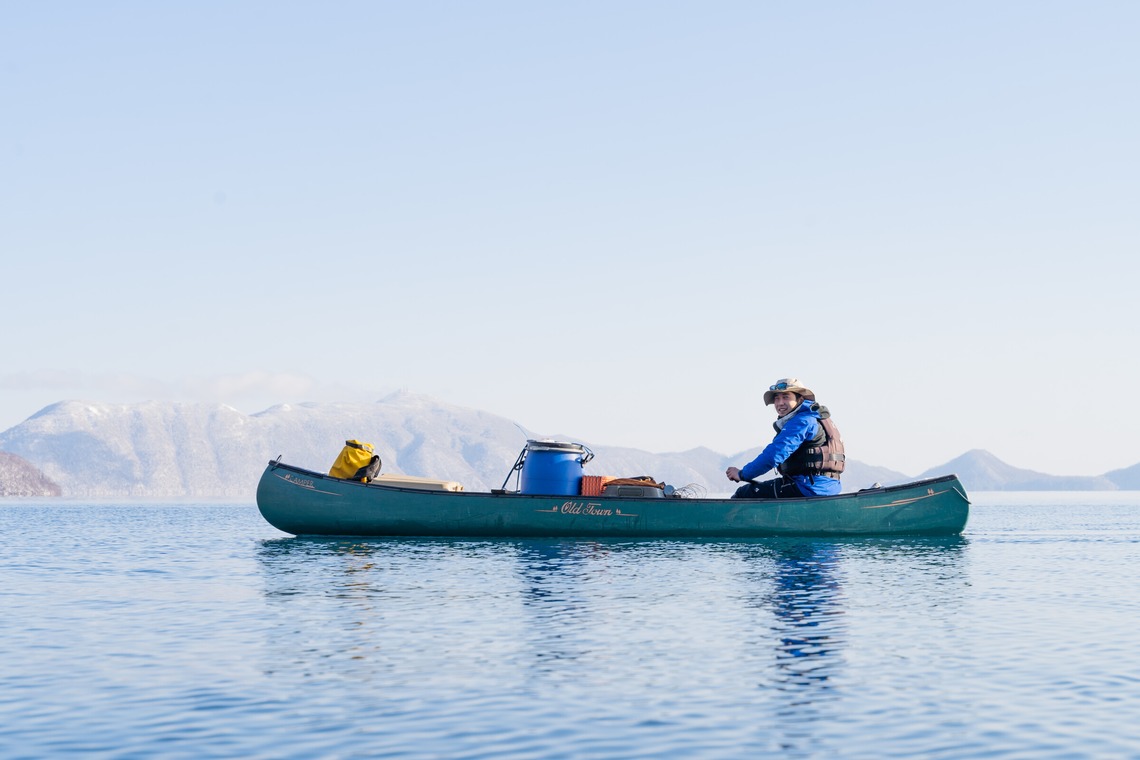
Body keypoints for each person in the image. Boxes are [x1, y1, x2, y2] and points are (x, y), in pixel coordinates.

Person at [725, 378, 845, 499]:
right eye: (777, 398)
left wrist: (742, 474)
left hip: (807, 487)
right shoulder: (815, 417)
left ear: (800, 399)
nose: (780, 403)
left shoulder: (802, 421)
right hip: (828, 487)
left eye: (786, 397)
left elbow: (774, 455)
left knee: (743, 493)